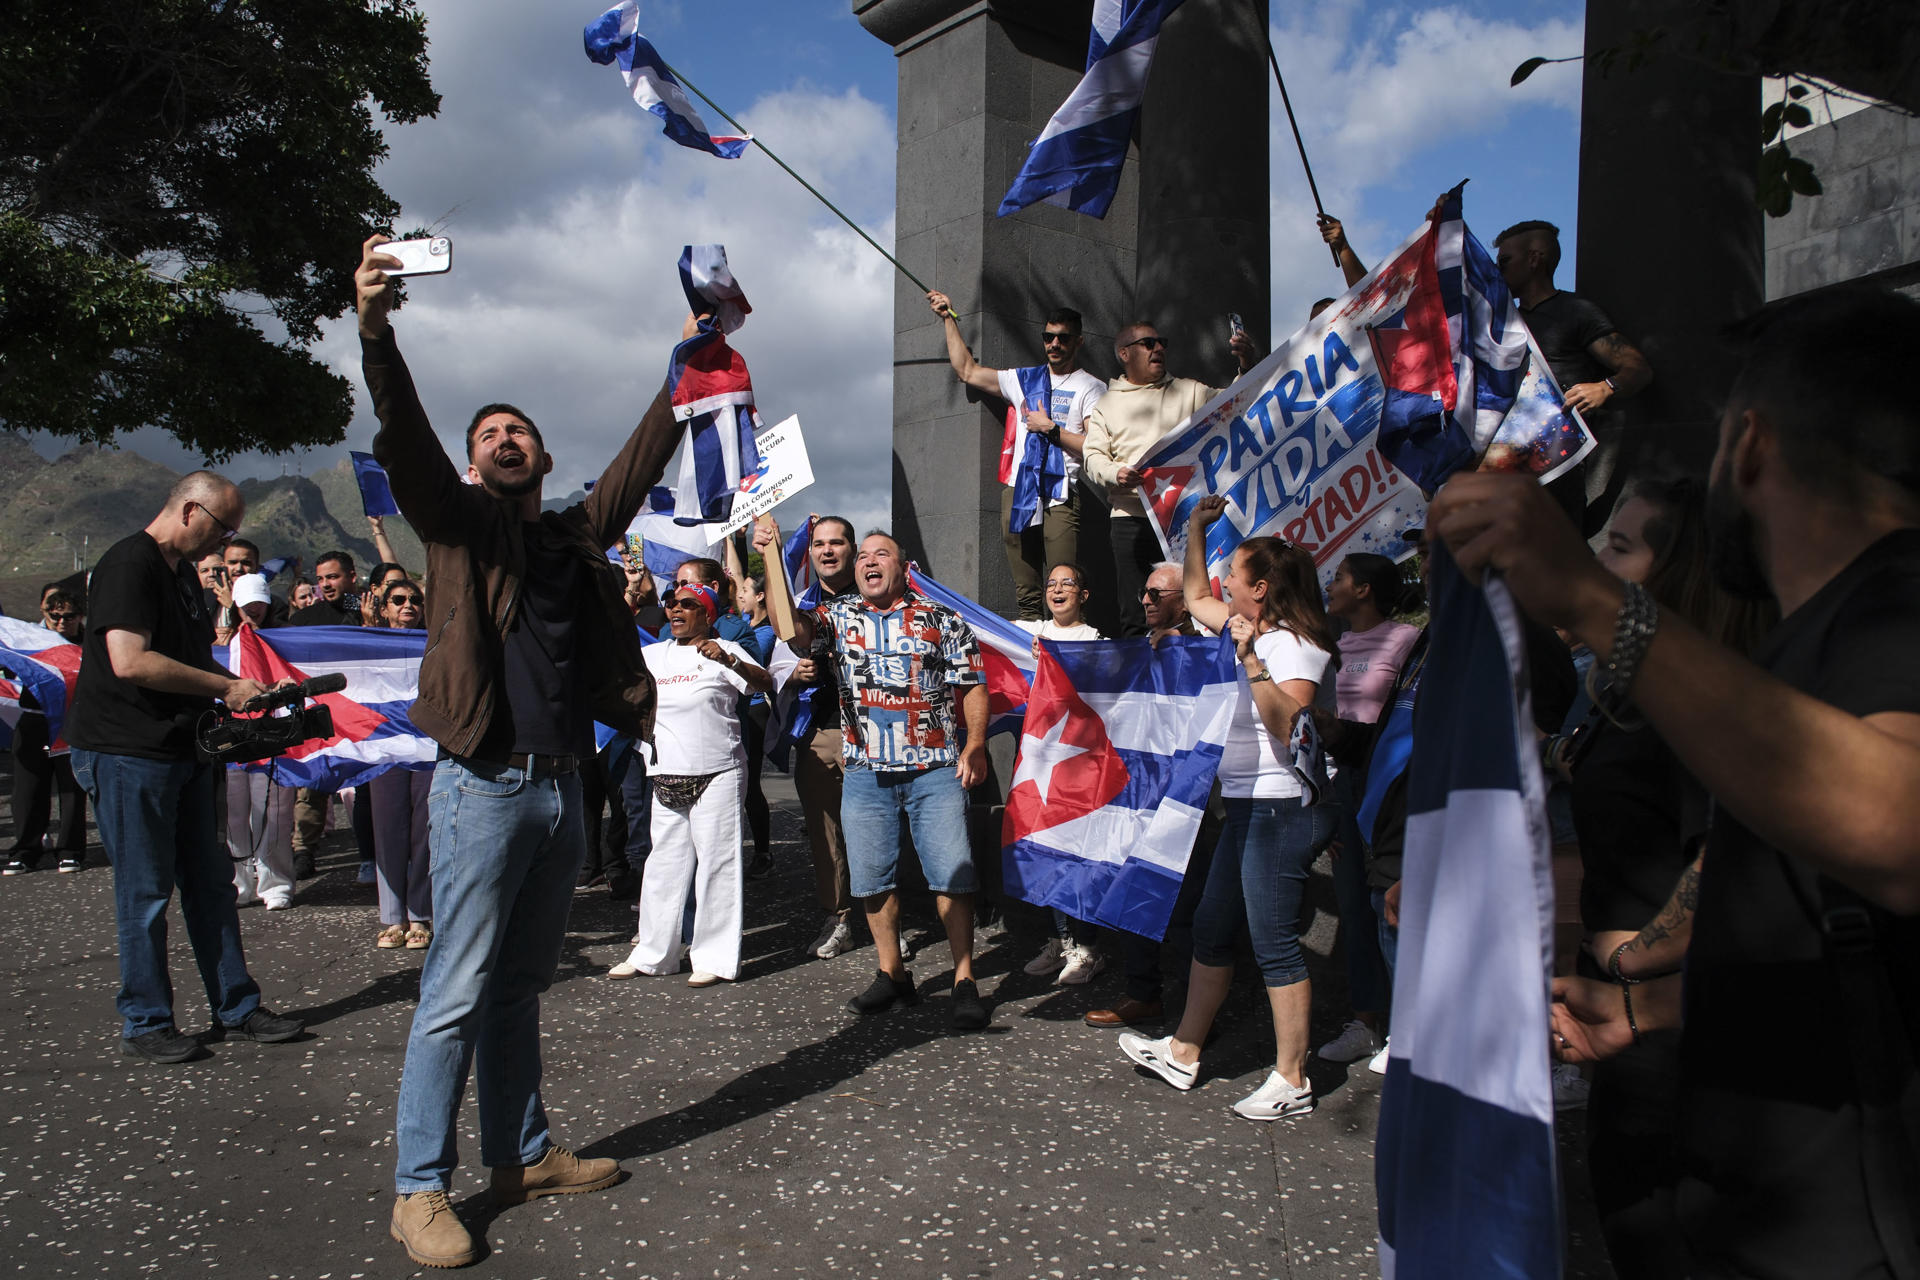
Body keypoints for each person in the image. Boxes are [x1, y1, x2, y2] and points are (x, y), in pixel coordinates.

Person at [1429, 287, 1920, 1277]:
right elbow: (1817, 913)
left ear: (1751, 446)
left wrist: (1591, 599)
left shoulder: (1898, 607)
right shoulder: (1795, 650)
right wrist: (1645, 1010)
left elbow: (1897, 827)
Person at [356, 234, 682, 1267]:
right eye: (489, 432)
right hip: (483, 785)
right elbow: (406, 442)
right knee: (455, 986)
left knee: (517, 985)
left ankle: (521, 1156)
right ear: (474, 463)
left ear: (542, 458)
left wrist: (687, 365)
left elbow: (637, 463)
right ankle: (418, 1188)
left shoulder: (573, 536)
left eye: (520, 431)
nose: (506, 439)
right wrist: (376, 331)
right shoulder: (459, 528)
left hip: (561, 789)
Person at [1543, 474, 1772, 1275]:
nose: (1597, 561)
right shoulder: (1633, 692)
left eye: (1619, 546)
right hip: (1633, 1015)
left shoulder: (1699, 703)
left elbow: (1729, 859)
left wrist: (1634, 957)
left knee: (1661, 1229)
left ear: (1676, 576)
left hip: (1676, 1031)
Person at [64, 471, 304, 1064]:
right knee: (145, 891)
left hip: (184, 749)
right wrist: (224, 687)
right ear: (192, 511)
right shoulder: (130, 564)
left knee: (210, 883)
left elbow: (191, 658)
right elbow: (130, 660)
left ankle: (236, 1006)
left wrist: (242, 690)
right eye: (224, 529)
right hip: (128, 752)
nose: (225, 543)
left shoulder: (182, 577)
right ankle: (146, 1020)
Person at [1120, 496, 1339, 1121]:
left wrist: (1249, 661)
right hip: (1247, 805)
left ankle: (1293, 1078)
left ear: (1259, 590)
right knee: (1212, 929)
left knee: (1274, 943)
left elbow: (1290, 729)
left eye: (1234, 575)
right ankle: (1184, 1051)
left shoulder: (1295, 646)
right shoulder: (1252, 629)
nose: (1224, 584)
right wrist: (1194, 528)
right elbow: (1193, 596)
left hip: (1282, 807)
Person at [787, 532, 991, 1031]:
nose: (868, 562)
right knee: (872, 878)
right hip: (864, 771)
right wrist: (771, 553)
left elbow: (972, 685)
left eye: (881, 554)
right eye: (863, 556)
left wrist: (975, 745)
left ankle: (964, 980)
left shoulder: (941, 619)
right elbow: (792, 630)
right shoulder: (837, 616)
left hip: (935, 769)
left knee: (952, 876)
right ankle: (892, 975)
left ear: (904, 567)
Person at [608, 580, 770, 985]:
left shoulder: (725, 649)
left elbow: (764, 683)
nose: (676, 610)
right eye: (671, 603)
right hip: (665, 773)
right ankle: (654, 954)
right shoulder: (651, 655)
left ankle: (713, 958)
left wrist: (730, 661)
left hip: (718, 771)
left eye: (687, 604)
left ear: (708, 614)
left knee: (717, 863)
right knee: (663, 864)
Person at [1083, 562, 1219, 1029]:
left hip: (1187, 801)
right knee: (1133, 892)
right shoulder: (1137, 648)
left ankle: (1199, 1011)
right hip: (1137, 796)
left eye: (1157, 594)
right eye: (1144, 592)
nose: (1145, 600)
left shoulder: (1208, 650)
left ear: (1185, 600)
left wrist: (1182, 649)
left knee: (1185, 905)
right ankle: (1143, 994)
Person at [924, 291, 1106, 622]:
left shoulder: (1090, 387)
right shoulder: (1023, 379)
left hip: (1061, 492)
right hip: (1020, 489)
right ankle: (1029, 642)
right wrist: (948, 317)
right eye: (1048, 337)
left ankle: (1064, 643)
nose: (1054, 344)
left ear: (1078, 342)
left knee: (1064, 586)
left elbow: (1095, 447)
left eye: (1063, 338)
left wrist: (1051, 429)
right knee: (1027, 594)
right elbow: (967, 371)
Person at [1314, 554, 1420, 1067]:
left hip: (1386, 782)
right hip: (1341, 786)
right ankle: (1365, 1023)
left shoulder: (1406, 640)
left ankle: (1408, 1030)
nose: (1330, 586)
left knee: (1392, 909)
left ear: (1365, 589)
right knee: (1355, 909)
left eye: (1339, 578)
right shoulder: (1330, 647)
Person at [1080, 322, 1251, 635]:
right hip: (1131, 519)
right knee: (1136, 611)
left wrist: (1246, 366)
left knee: (1195, 602)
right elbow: (1093, 457)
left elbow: (1233, 404)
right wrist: (1116, 473)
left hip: (1184, 518)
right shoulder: (1106, 405)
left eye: (1162, 342)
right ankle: (1141, 667)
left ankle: (1194, 661)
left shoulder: (1190, 391)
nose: (1158, 348)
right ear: (1124, 354)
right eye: (1148, 343)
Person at [1493, 220, 1652, 538]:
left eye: (1505, 261)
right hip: (1502, 465)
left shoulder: (1575, 312)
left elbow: (1638, 368)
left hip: (1556, 466)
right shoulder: (1499, 323)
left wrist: (1606, 387)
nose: (1498, 270)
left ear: (1534, 259)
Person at [753, 515, 862, 960]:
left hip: (872, 735)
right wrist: (794, 674)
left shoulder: (877, 597)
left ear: (852, 549)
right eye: (819, 544)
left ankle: (887, 922)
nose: (827, 551)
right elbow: (776, 666)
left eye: (836, 543)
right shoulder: (797, 604)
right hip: (819, 733)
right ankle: (839, 918)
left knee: (879, 831)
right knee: (825, 832)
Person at [1013, 562, 1109, 985]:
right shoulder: (1028, 633)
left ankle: (1087, 948)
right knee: (1044, 855)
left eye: (1067, 583)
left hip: (1079, 767)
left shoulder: (1097, 642)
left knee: (1077, 858)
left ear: (1083, 596)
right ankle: (1059, 940)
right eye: (1051, 583)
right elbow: (975, 627)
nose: (1057, 589)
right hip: (1037, 766)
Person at [224, 573, 299, 911]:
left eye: (259, 603)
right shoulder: (223, 641)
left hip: (271, 734)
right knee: (234, 815)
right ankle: (238, 883)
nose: (253, 609)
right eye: (246, 604)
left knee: (275, 812)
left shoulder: (283, 639)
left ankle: (276, 882)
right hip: (231, 736)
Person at [2, 587, 88, 875]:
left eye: (69, 616)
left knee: (71, 789)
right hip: (34, 719)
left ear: (80, 616)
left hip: (72, 722)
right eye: (55, 616)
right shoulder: (28, 640)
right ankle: (25, 851)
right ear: (44, 613)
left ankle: (70, 850)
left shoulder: (90, 644)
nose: (61, 622)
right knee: (28, 790)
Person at [367, 578, 433, 951]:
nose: (408, 604)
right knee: (388, 830)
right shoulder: (370, 647)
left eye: (414, 599)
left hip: (426, 746)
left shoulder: (435, 643)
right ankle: (392, 917)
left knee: (424, 831)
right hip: (386, 749)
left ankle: (420, 914)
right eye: (398, 599)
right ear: (384, 608)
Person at [288, 551, 362, 626]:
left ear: (352, 577)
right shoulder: (302, 619)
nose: (325, 584)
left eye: (332, 577)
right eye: (320, 579)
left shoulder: (366, 609)